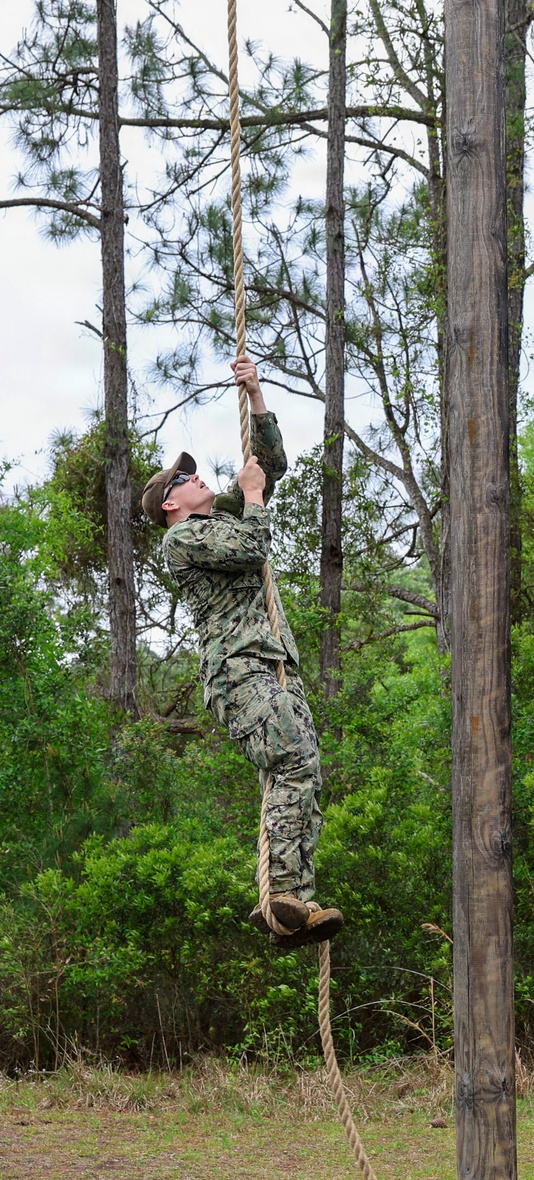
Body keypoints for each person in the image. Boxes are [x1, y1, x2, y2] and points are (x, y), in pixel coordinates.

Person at [141, 357, 342, 950]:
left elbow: (269, 468)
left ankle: (290, 904)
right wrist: (252, 498)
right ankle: (282, 893)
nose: (194, 479)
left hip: (271, 663)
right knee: (292, 762)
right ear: (170, 504)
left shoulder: (218, 515)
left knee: (305, 768)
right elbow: (254, 545)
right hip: (242, 671)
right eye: (183, 480)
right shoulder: (182, 539)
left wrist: (256, 397)